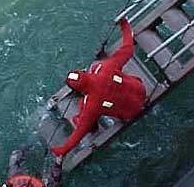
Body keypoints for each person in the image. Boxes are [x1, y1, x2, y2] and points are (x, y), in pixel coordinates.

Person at [51, 17, 147, 157]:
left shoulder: (90, 104)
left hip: (131, 111)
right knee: (118, 81)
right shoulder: (105, 67)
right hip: (140, 89)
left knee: (84, 113)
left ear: (78, 90)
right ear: (84, 73)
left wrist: (62, 150)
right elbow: (128, 48)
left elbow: (79, 133)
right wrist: (124, 23)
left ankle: (93, 126)